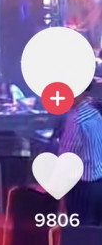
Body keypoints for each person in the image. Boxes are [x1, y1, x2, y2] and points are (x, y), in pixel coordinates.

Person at [59, 81, 102, 225]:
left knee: (80, 231)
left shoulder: (76, 119)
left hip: (83, 189)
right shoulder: (95, 113)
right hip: (98, 184)